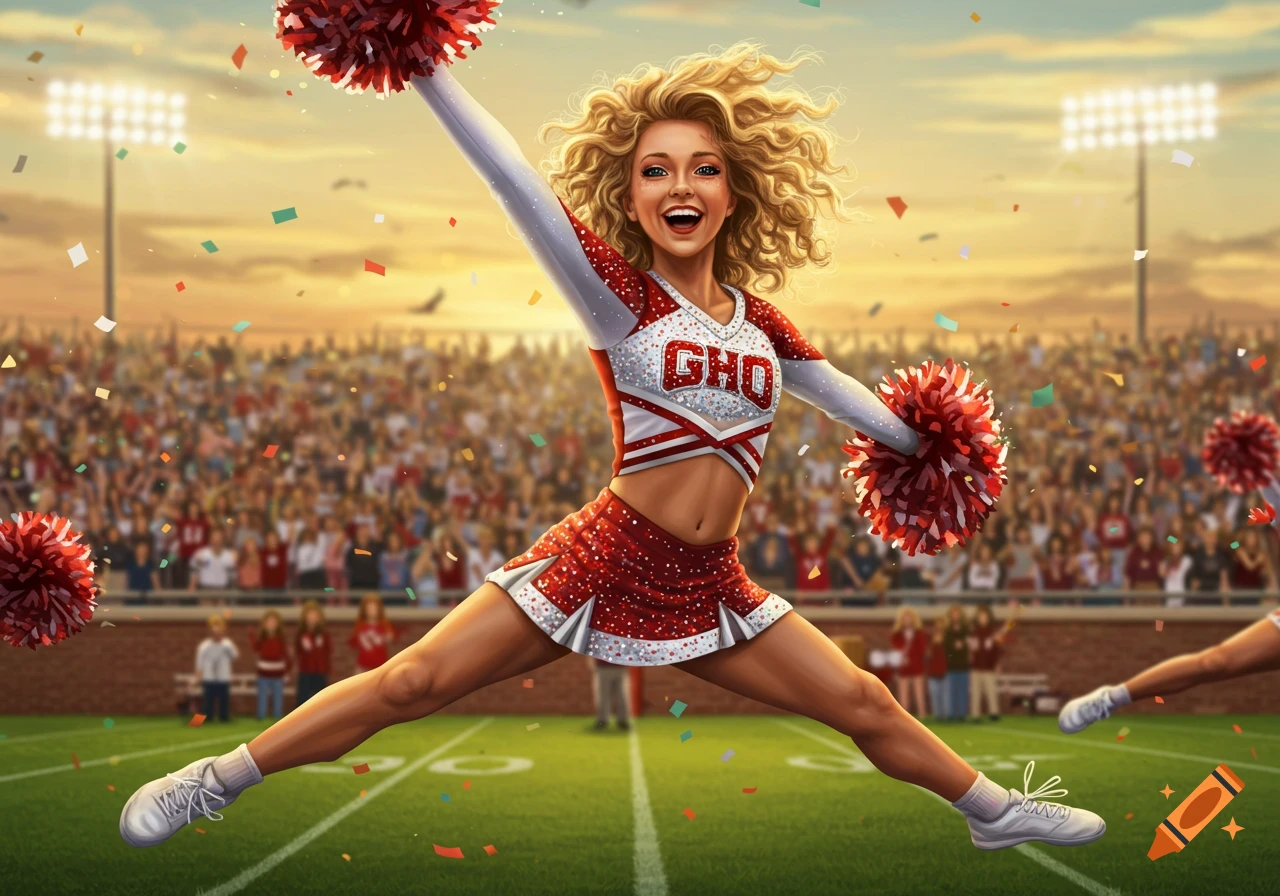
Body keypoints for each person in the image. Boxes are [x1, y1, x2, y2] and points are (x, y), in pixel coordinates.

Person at [121, 42, 1102, 852]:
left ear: (733, 193)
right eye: (654, 170)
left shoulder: (763, 326)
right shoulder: (618, 297)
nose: (680, 185)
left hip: (710, 581)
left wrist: (935, 446)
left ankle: (992, 811)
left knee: (862, 698)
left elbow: (855, 404)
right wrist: (418, 58)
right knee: (410, 683)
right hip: (601, 557)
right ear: (629, 197)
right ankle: (215, 778)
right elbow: (513, 180)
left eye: (702, 167)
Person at [1060, 480, 1280, 733]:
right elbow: (1269, 485)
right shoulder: (1184, 549)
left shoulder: (1225, 549)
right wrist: (1260, 467)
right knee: (1214, 662)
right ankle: (1111, 699)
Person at [968, 605, 1010, 722]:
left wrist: (997, 663)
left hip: (989, 667)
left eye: (985, 617)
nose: (983, 619)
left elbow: (997, 650)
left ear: (988, 618)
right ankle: (975, 714)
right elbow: (970, 648)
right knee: (976, 692)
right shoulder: (974, 632)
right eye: (981, 617)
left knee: (991, 691)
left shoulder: (992, 632)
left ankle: (994, 712)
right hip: (976, 667)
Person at [195, 616, 238, 723]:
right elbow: (200, 659)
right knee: (208, 700)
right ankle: (207, 718)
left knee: (224, 699)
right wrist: (199, 673)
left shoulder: (227, 644)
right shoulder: (205, 645)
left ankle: (224, 717)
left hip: (223, 677)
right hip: (209, 677)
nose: (216, 631)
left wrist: (227, 648)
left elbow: (235, 655)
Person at [889, 607, 928, 718]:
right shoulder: (896, 634)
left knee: (919, 693)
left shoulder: (919, 633)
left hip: (917, 666)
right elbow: (895, 650)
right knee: (903, 695)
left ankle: (922, 716)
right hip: (903, 667)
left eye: (909, 617)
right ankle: (905, 718)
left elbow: (922, 649)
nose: (907, 620)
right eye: (905, 617)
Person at [252, 610, 290, 721]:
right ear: (264, 624)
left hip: (278, 673)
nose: (271, 624)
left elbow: (286, 655)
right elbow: (255, 648)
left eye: (273, 622)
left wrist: (287, 671)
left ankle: (277, 716)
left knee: (278, 696)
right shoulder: (261, 639)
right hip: (263, 673)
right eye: (268, 622)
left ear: (278, 624)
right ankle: (261, 715)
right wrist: (252, 637)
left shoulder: (281, 639)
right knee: (262, 696)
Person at [295, 601, 331, 708]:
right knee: (303, 699)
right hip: (305, 670)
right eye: (309, 615)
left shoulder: (323, 634)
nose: (312, 618)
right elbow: (298, 650)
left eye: (314, 615)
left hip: (320, 670)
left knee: (320, 700)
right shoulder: (301, 634)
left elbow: (328, 650)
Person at [349, 593, 397, 675]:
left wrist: (389, 637)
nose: (372, 611)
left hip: (381, 666)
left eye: (374, 608)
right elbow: (353, 644)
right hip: (363, 666)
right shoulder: (360, 626)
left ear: (379, 609)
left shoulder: (384, 626)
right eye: (369, 608)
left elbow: (392, 638)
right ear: (364, 610)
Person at [942, 604, 971, 722]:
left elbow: (970, 645)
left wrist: (963, 644)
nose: (955, 616)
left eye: (957, 613)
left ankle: (962, 714)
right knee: (951, 692)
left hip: (963, 665)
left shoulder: (966, 630)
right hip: (951, 665)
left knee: (962, 691)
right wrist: (954, 645)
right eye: (953, 614)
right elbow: (945, 647)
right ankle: (951, 714)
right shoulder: (947, 631)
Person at [189, 530, 237, 595]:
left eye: (219, 540)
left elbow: (233, 575)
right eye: (214, 540)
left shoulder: (229, 556)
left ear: (222, 541)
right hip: (205, 588)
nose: (216, 543)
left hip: (222, 589)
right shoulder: (201, 555)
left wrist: (234, 588)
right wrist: (192, 585)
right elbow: (195, 571)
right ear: (210, 540)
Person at [590, 658, 631, 731]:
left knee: (621, 696)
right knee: (604, 696)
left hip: (617, 667)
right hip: (605, 667)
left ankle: (621, 720)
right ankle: (604, 720)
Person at [925, 617, 949, 720]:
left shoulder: (948, 638)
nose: (939, 626)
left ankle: (946, 716)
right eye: (937, 623)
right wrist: (932, 643)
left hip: (945, 670)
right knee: (934, 694)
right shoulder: (930, 637)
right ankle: (938, 716)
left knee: (946, 696)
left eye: (941, 623)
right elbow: (927, 654)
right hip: (933, 670)